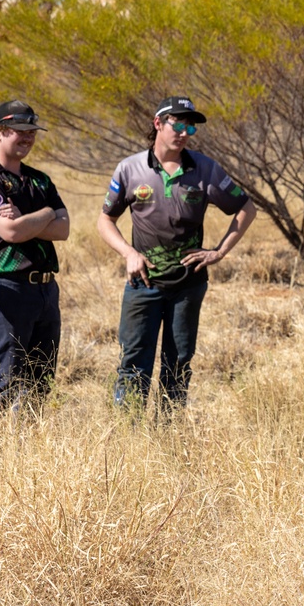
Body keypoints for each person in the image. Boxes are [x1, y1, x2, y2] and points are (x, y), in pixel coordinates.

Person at [98, 96, 257, 413]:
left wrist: (219, 252)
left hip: (188, 285)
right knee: (133, 360)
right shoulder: (130, 169)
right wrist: (129, 253)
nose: (184, 132)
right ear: (158, 124)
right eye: (178, 123)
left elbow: (245, 207)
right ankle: (130, 433)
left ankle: (169, 433)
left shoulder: (205, 169)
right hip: (143, 284)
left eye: (191, 127)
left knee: (179, 361)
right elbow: (105, 220)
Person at [0, 100, 69, 415]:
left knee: (40, 385)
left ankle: (28, 457)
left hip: (44, 290)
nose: (27, 138)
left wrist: (29, 217)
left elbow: (63, 229)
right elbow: (9, 232)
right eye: (19, 132)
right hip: (5, 291)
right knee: (0, 383)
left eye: (31, 132)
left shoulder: (39, 180)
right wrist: (47, 215)